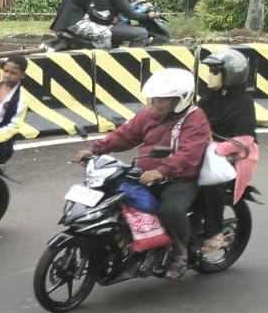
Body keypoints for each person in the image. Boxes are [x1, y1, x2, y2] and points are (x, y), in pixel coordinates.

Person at [75, 68, 212, 280]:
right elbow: (124, 135)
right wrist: (95, 150)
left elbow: (189, 154)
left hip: (180, 178)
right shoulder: (149, 114)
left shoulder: (195, 119)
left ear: (180, 100)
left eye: (161, 100)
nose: (154, 104)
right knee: (111, 198)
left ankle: (181, 252)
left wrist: (161, 171)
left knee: (170, 210)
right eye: (153, 99)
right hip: (144, 173)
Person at [196, 49, 260, 254]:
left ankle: (214, 232)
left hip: (233, 156)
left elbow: (245, 140)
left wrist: (214, 148)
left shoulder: (244, 103)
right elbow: (193, 120)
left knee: (211, 183)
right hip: (204, 151)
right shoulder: (208, 99)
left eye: (215, 71)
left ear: (230, 74)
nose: (210, 75)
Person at [0, 55, 30, 169]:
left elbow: (13, 127)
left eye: (13, 73)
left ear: (22, 75)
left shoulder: (20, 99)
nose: (7, 75)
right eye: (6, 71)